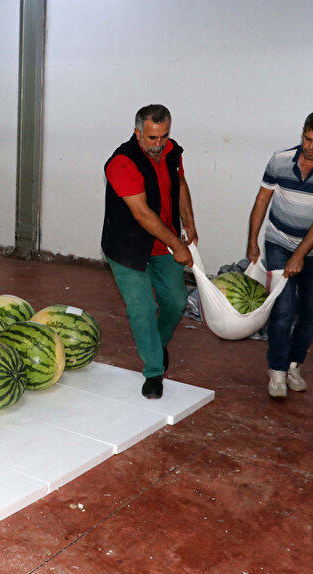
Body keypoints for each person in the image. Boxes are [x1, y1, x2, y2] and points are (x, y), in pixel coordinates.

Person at [246, 111, 313, 398]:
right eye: (307, 138)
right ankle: (277, 371)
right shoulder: (280, 160)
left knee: (312, 314)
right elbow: (261, 200)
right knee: (283, 310)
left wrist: (300, 255)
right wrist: (253, 241)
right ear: (302, 132)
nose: (311, 146)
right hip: (279, 241)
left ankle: (293, 364)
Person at [101, 104, 197, 399]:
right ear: (137, 132)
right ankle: (154, 371)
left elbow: (179, 184)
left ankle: (156, 343)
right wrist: (178, 246)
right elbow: (142, 214)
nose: (158, 145)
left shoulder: (172, 151)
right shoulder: (122, 162)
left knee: (176, 301)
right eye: (152, 138)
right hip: (127, 246)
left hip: (162, 242)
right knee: (142, 309)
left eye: (164, 137)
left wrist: (189, 225)